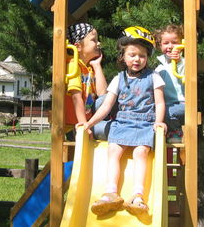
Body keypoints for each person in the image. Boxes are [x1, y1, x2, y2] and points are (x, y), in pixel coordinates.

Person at [79, 26, 166, 217]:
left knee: (141, 152)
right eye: (132, 55)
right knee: (113, 150)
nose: (137, 59)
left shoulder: (154, 77)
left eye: (142, 56)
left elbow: (160, 103)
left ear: (147, 58)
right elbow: (106, 106)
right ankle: (111, 192)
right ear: (123, 57)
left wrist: (159, 122)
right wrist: (89, 123)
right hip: (122, 122)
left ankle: (137, 196)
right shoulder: (118, 79)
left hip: (145, 124)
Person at [64, 23, 107, 138]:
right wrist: (84, 126)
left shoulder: (88, 68)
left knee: (109, 99)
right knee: (112, 130)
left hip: (89, 120)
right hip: (77, 125)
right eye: (94, 40)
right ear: (78, 46)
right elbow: (76, 97)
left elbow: (103, 95)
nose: (99, 43)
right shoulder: (74, 65)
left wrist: (97, 65)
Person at [155, 24, 185, 143]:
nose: (170, 46)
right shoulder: (159, 68)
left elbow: (183, 70)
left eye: (175, 42)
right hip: (166, 105)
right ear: (160, 45)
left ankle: (176, 133)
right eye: (166, 43)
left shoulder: (184, 62)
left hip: (182, 104)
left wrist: (177, 61)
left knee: (167, 112)